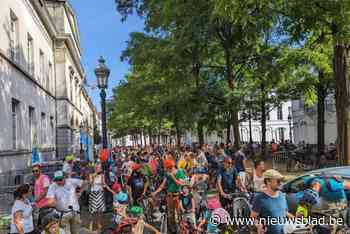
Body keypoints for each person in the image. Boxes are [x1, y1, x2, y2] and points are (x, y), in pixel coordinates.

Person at [251, 169, 294, 234]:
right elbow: (253, 217)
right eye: (278, 181)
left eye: (281, 181)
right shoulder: (259, 198)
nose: (280, 183)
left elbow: (284, 212)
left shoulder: (282, 195)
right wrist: (258, 225)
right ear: (268, 181)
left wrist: (296, 219)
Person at [152, 159, 186, 234]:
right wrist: (155, 192)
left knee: (179, 214)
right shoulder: (167, 174)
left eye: (167, 168)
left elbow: (181, 184)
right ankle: (173, 230)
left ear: (170, 167)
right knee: (171, 215)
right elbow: (162, 185)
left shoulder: (180, 172)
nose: (166, 170)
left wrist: (173, 178)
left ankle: (182, 229)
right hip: (169, 196)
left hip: (178, 196)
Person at [88, 163, 106, 231]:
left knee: (100, 210)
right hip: (93, 193)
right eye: (98, 167)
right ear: (95, 168)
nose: (100, 169)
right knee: (92, 210)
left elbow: (103, 184)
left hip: (100, 193)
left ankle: (98, 223)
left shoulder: (102, 175)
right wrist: (94, 176)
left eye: (100, 168)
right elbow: (91, 183)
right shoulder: (91, 175)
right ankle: (91, 223)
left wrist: (104, 185)